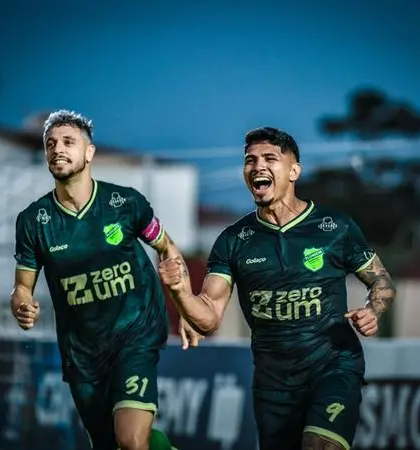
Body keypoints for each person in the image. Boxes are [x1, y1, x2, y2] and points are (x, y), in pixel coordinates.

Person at [159, 127, 397, 450]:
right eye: (250, 160)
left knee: (318, 445)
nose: (258, 166)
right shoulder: (233, 240)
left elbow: (381, 281)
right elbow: (209, 317)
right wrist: (179, 292)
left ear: (294, 171)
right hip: (273, 384)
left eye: (270, 158)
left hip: (333, 367)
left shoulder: (335, 227)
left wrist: (373, 310)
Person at [11, 109, 183, 450]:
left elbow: (168, 249)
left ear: (89, 152)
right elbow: (22, 288)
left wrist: (186, 306)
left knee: (130, 440)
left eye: (68, 142)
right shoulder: (33, 221)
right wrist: (22, 305)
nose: (58, 149)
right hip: (82, 352)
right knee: (111, 444)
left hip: (135, 335)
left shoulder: (125, 203)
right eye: (51, 144)